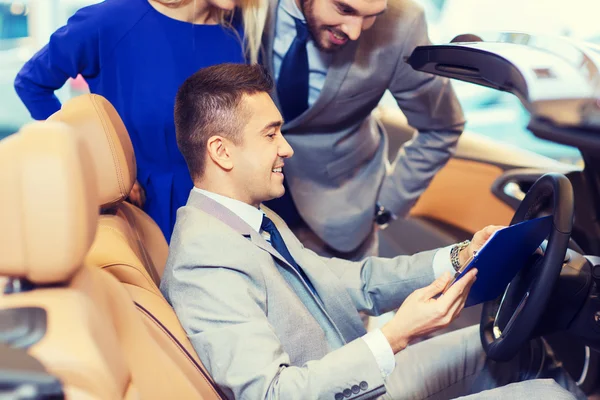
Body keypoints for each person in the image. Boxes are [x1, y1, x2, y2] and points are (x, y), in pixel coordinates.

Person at [160, 63, 584, 400]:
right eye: (271, 134)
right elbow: (274, 394)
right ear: (221, 151)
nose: (286, 148)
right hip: (345, 385)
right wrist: (396, 335)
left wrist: (459, 257)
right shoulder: (204, 261)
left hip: (353, 371)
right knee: (548, 395)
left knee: (521, 344)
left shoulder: (252, 219)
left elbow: (354, 281)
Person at [14, 0, 266, 242]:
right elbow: (32, 84)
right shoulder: (112, 20)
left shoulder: (242, 29)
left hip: (232, 213)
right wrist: (100, 163)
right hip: (146, 212)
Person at [261, 0, 466, 259]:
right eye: (344, 9)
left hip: (342, 217)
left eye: (372, 16)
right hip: (249, 210)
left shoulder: (403, 23)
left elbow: (442, 126)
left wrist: (387, 205)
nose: (356, 32)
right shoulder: (245, 8)